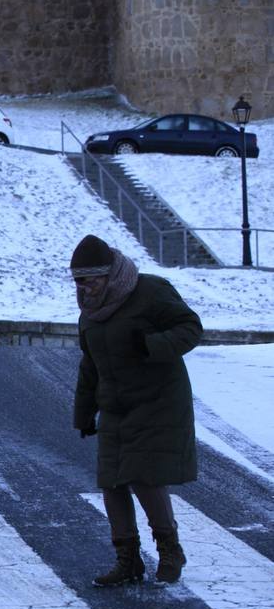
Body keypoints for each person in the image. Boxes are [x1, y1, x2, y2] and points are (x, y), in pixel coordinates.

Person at [70, 234, 202, 586]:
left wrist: (151, 345)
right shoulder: (90, 313)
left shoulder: (151, 291)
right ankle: (127, 560)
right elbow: (90, 364)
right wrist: (84, 411)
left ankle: (170, 549)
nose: (84, 288)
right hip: (116, 405)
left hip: (158, 400)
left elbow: (191, 327)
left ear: (109, 274)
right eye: (78, 282)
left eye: (90, 280)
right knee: (111, 481)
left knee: (143, 476)